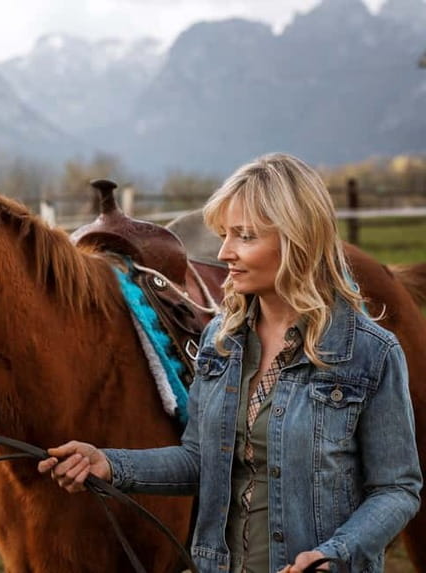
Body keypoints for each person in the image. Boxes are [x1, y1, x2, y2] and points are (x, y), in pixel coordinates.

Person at [38, 153, 422, 573]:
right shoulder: (221, 341)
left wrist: (336, 553)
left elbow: (396, 489)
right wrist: (109, 463)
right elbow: (200, 460)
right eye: (224, 235)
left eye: (244, 236)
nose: (224, 253)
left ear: (298, 240)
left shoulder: (370, 351)